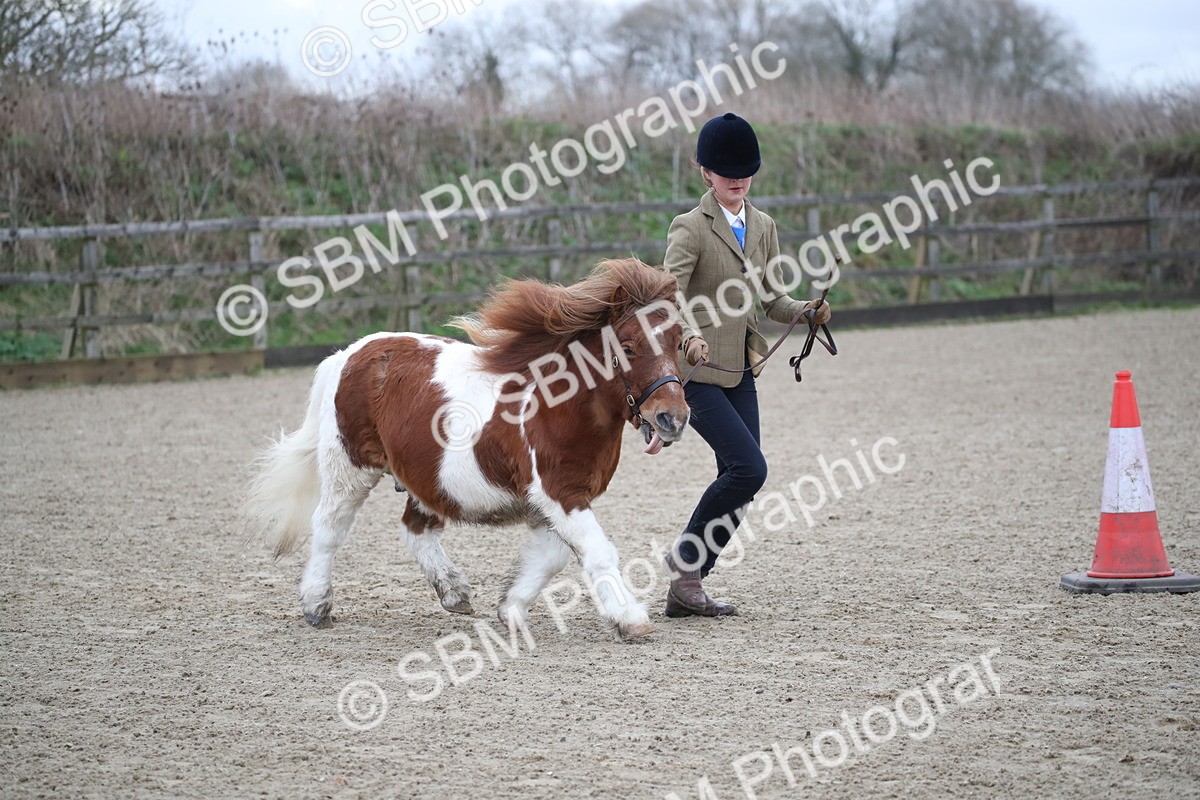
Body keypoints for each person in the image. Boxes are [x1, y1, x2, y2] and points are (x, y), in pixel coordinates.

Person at [662, 112, 832, 618]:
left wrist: (805, 311)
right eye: (724, 169)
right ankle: (686, 566)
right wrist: (688, 335)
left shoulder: (764, 227)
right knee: (749, 468)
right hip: (696, 372)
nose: (736, 177)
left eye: (744, 169)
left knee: (742, 478)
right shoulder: (689, 227)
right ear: (706, 172)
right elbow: (667, 294)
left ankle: (687, 585)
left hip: (740, 370)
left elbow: (772, 297)